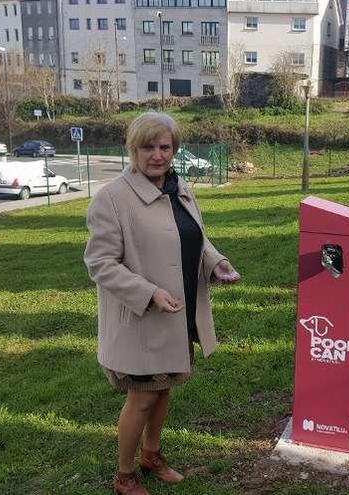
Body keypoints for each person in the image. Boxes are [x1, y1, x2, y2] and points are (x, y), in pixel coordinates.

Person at [84, 112, 241, 495]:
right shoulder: (112, 198)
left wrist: (214, 260)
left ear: (175, 149)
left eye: (165, 147)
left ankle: (151, 455)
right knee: (142, 398)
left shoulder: (180, 187)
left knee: (164, 389)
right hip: (142, 319)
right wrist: (147, 293)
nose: (157, 155)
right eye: (148, 147)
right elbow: (100, 263)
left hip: (178, 313)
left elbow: (194, 238)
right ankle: (124, 476)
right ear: (133, 149)